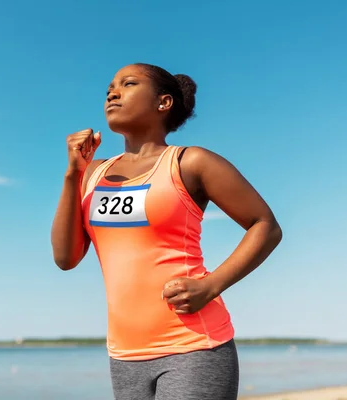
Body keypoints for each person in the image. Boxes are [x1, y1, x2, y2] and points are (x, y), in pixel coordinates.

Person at [51, 63, 282, 400]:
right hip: (124, 354)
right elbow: (65, 257)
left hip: (194, 345)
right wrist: (73, 174)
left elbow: (265, 226)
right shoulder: (93, 173)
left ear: (163, 103)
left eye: (128, 84)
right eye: (109, 89)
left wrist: (211, 285)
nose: (112, 93)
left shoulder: (190, 163)